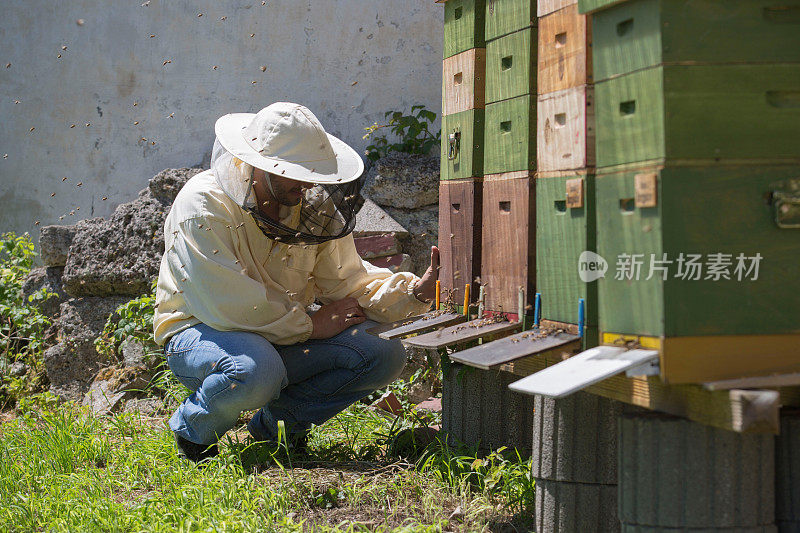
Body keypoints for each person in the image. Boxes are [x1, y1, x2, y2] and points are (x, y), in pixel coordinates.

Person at [153, 102, 439, 462]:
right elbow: (225, 303)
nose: (307, 183)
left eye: (311, 172)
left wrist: (416, 291)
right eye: (295, 172)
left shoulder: (309, 208)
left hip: (281, 336)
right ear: (258, 165)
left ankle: (274, 431)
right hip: (199, 332)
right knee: (254, 370)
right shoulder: (203, 204)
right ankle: (194, 433)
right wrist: (310, 326)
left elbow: (349, 281)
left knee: (384, 352)